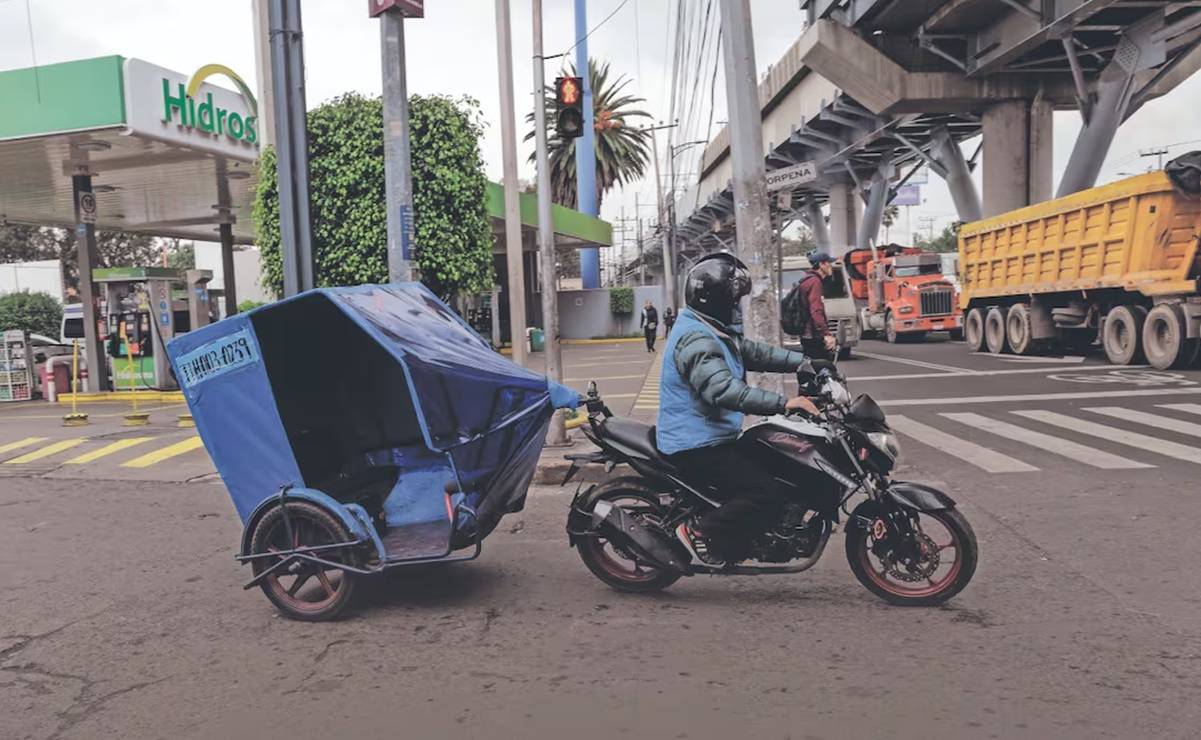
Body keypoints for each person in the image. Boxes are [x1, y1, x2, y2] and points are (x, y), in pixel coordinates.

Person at [656, 252, 824, 565]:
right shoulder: (696, 339)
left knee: (777, 464)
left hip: (715, 434)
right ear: (715, 301)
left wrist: (806, 362)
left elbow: (754, 352)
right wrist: (785, 403)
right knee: (765, 493)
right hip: (695, 443)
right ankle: (699, 531)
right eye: (733, 301)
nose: (737, 307)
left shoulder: (712, 328)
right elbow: (723, 390)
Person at [786, 251, 838, 361]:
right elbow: (816, 310)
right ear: (821, 264)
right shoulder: (815, 282)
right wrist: (826, 334)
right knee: (822, 365)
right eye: (828, 263)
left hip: (806, 333)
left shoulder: (806, 280)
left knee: (811, 365)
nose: (830, 266)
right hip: (813, 334)